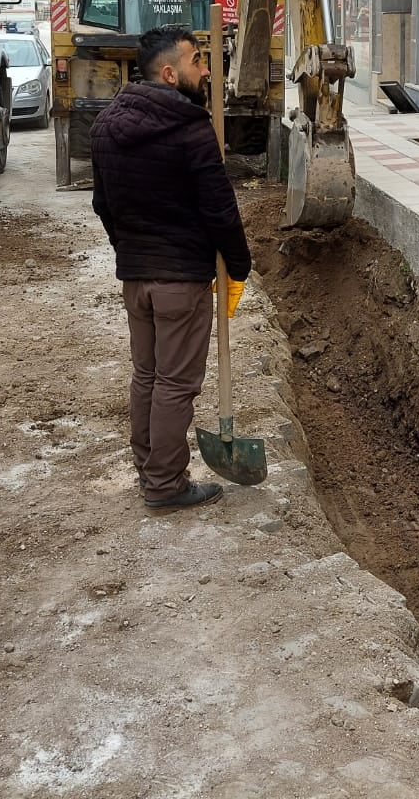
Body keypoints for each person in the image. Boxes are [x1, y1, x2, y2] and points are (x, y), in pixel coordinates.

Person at [90, 26, 252, 506]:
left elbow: (103, 204)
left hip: (136, 278)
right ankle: (164, 483)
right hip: (181, 281)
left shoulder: (105, 126)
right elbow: (220, 210)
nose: (204, 70)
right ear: (168, 73)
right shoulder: (190, 129)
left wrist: (131, 251)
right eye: (196, 61)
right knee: (176, 383)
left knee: (147, 375)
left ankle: (149, 468)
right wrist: (239, 265)